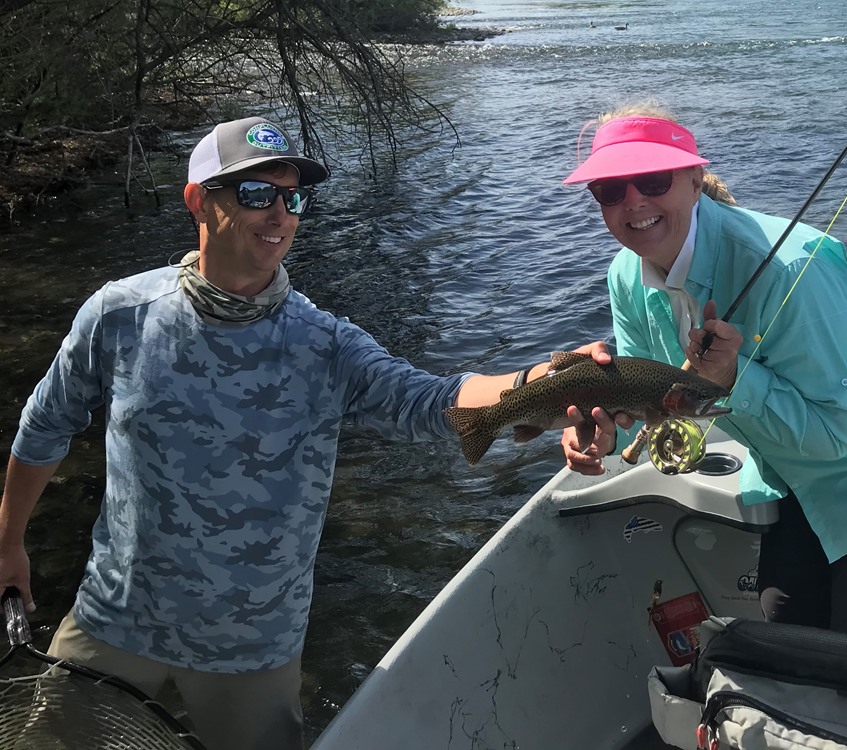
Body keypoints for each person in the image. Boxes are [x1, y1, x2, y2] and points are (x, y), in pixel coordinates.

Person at [0, 115, 608, 750]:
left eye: (293, 198)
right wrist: (9, 540)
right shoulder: (117, 316)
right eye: (257, 194)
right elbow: (46, 424)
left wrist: (547, 381)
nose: (280, 215)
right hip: (115, 620)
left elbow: (430, 399)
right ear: (198, 200)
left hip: (254, 645)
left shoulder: (325, 343)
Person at [559, 103, 847, 653]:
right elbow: (657, 402)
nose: (633, 201)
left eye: (652, 178)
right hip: (798, 474)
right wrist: (604, 428)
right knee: (789, 635)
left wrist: (736, 376)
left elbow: (836, 434)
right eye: (610, 191)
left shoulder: (790, 267)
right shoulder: (625, 274)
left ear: (693, 180)